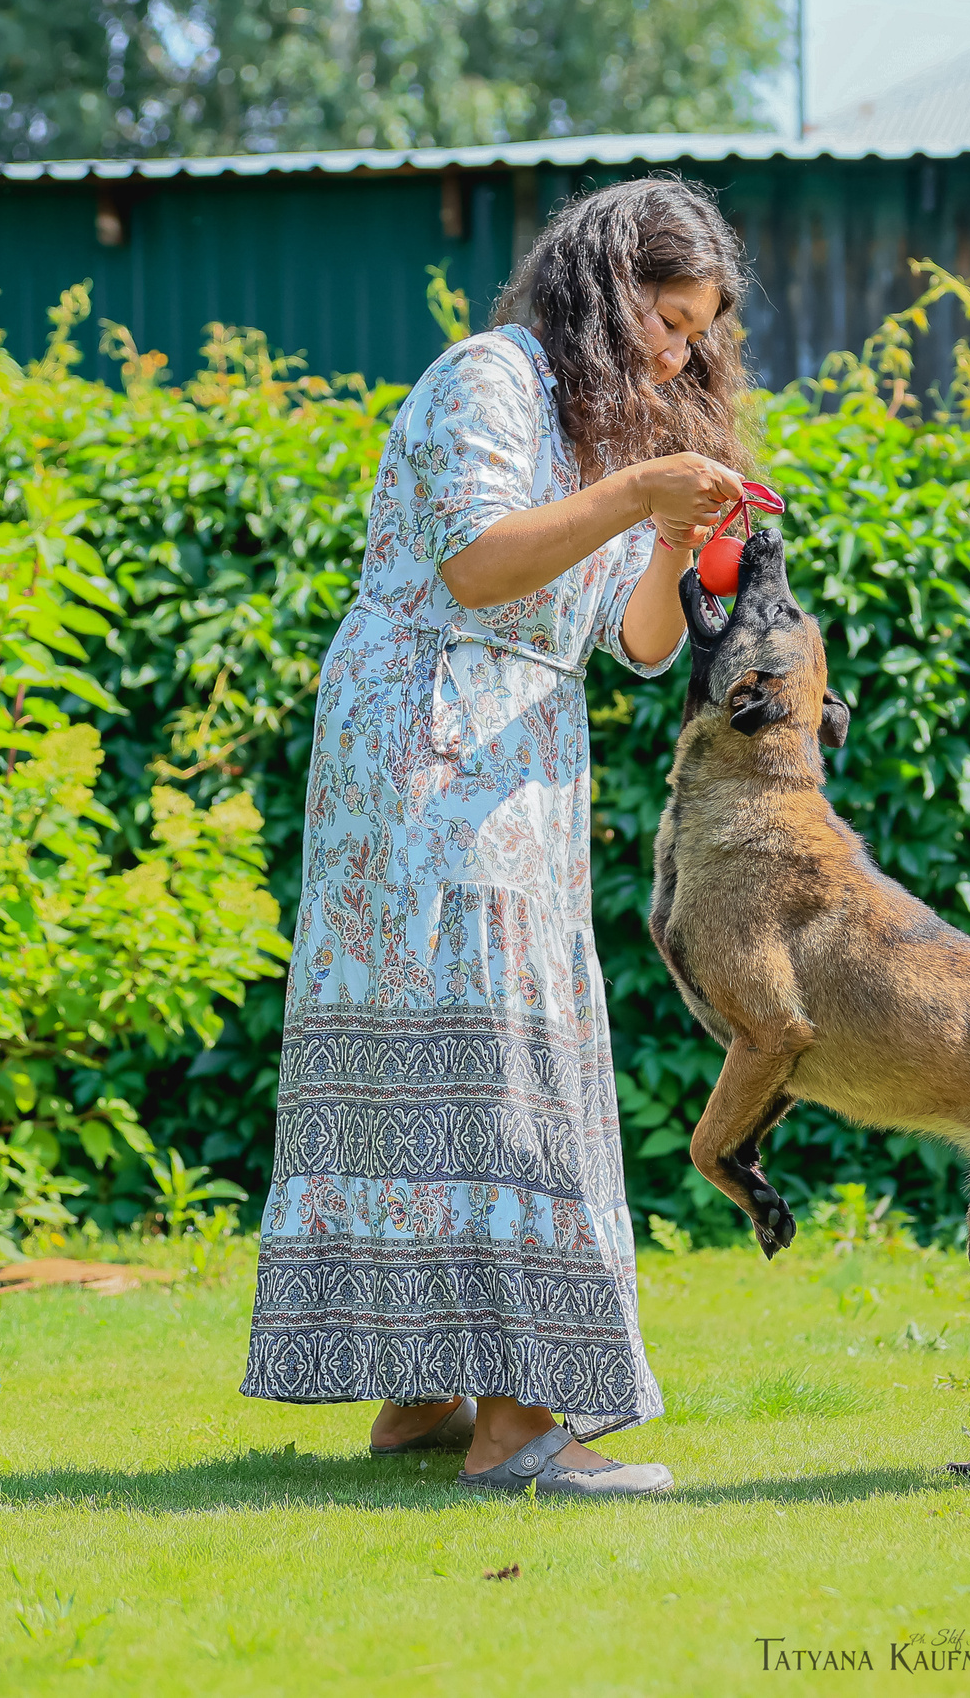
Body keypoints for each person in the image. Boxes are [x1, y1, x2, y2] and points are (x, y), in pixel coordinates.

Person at [239, 176, 753, 1497]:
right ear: (604, 288)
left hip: (512, 756)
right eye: (667, 318)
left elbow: (632, 648)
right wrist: (641, 485)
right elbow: (473, 563)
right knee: (506, 1046)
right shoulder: (493, 377)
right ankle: (521, 1427)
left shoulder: (595, 424)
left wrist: (672, 535)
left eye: (699, 332)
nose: (680, 353)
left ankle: (425, 1390)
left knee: (447, 1043)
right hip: (428, 745)